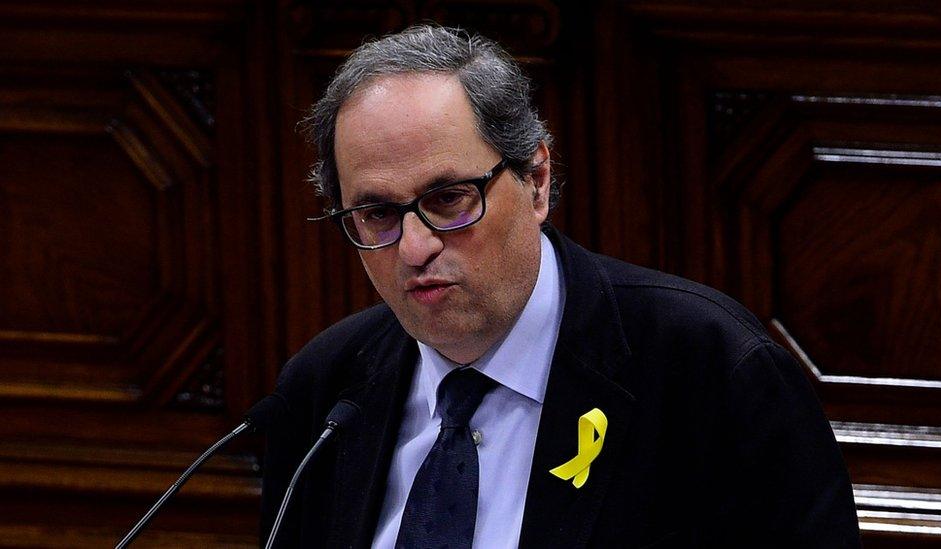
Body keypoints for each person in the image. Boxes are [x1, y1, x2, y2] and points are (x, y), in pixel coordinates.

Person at [260, 25, 861, 548]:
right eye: (377, 214)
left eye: (448, 199)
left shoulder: (709, 370)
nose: (415, 247)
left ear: (537, 181)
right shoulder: (324, 392)